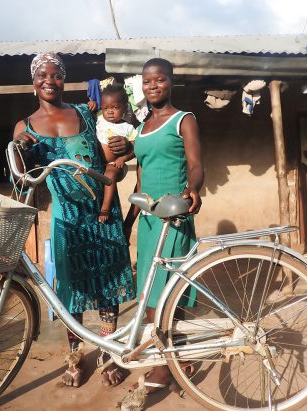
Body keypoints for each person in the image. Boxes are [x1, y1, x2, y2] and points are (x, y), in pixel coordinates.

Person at [12, 52, 135, 388]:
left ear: (64, 79)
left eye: (56, 75)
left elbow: (113, 165)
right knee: (71, 291)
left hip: (101, 213)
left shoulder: (85, 113)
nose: (49, 81)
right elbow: (22, 179)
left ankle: (109, 352)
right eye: (42, 75)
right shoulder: (25, 127)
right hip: (67, 220)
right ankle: (75, 356)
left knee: (108, 287)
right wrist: (21, 151)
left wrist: (124, 151)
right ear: (33, 80)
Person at [122, 58, 204, 394]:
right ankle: (174, 353)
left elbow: (196, 164)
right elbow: (139, 178)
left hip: (173, 215)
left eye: (160, 80)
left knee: (168, 291)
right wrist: (128, 222)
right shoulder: (140, 128)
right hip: (148, 219)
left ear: (171, 82)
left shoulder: (183, 120)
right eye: (147, 81)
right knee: (150, 291)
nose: (153, 86)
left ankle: (164, 362)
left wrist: (193, 189)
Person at [96, 84, 137, 222]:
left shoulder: (127, 127)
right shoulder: (99, 119)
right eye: (106, 108)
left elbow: (136, 147)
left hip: (115, 163)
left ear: (125, 107)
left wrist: (123, 158)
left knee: (110, 174)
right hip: (99, 162)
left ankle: (105, 209)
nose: (110, 112)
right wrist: (91, 104)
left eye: (115, 107)